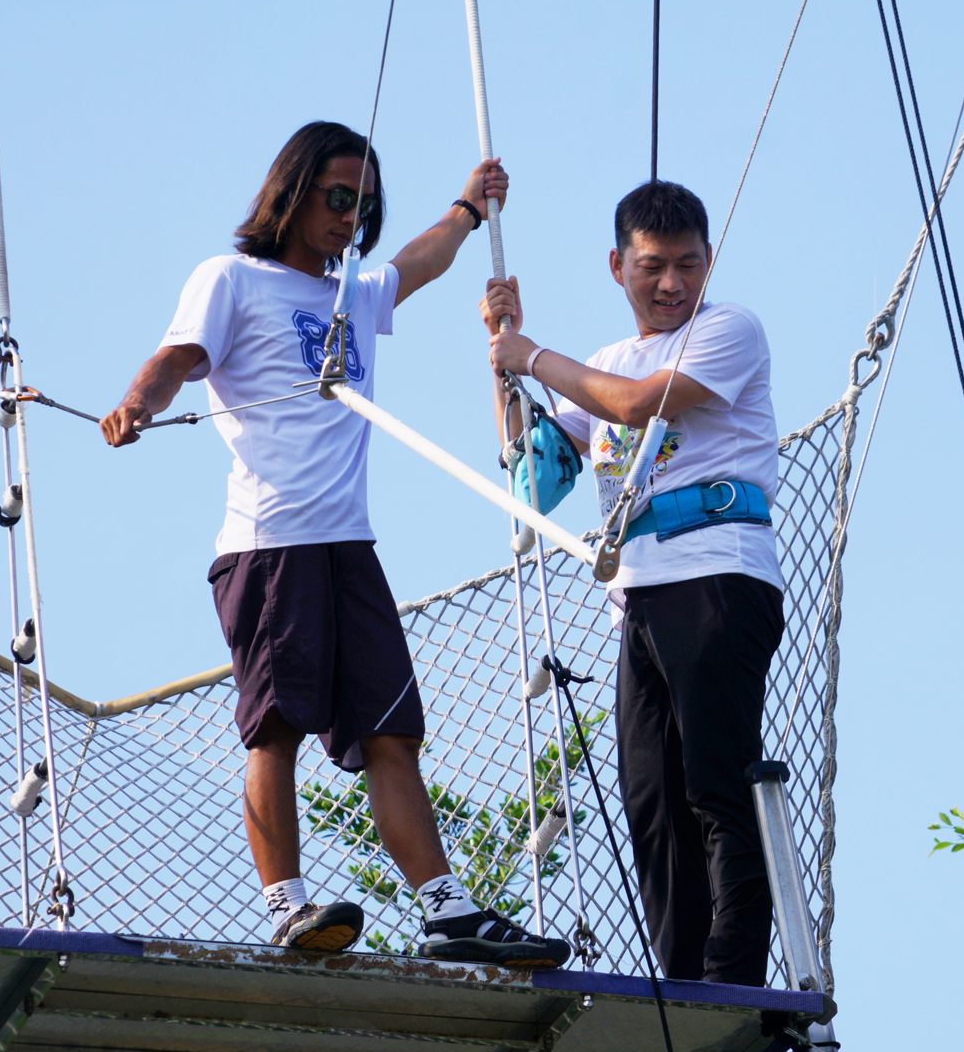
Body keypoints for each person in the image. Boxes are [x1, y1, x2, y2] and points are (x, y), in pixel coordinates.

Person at [102, 120, 569, 967]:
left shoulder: (351, 293)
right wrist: (139, 402)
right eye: (337, 199)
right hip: (269, 546)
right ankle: (285, 903)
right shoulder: (233, 278)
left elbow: (421, 263)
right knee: (275, 729)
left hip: (349, 548)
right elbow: (175, 357)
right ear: (294, 190)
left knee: (393, 735)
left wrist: (469, 205)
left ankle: (445, 908)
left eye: (364, 205)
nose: (350, 219)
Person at [478, 180, 784, 987]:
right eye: (652, 266)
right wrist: (506, 369)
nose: (672, 283)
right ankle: (682, 980)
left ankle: (729, 978)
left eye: (688, 264)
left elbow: (644, 405)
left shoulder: (729, 331)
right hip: (641, 596)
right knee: (653, 805)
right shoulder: (606, 362)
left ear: (709, 262)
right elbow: (536, 479)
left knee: (716, 784)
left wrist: (535, 356)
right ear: (617, 266)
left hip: (717, 575)